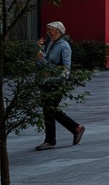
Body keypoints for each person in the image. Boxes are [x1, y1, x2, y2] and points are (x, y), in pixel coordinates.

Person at [34, 21, 85, 150]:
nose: (48, 32)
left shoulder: (64, 46)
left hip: (57, 82)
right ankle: (76, 128)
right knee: (50, 110)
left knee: (49, 109)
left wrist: (45, 64)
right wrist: (39, 52)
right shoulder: (50, 44)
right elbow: (41, 62)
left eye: (51, 30)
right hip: (46, 81)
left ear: (58, 31)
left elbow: (65, 68)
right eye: (48, 30)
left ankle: (51, 140)